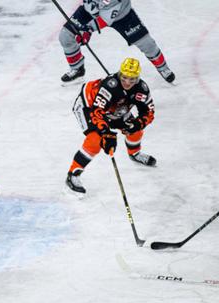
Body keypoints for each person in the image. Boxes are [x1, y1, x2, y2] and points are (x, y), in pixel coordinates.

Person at [66, 58, 156, 195]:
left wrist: (137, 124)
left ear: (138, 78)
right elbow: (97, 112)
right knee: (95, 140)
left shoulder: (142, 89)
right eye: (125, 77)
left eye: (132, 79)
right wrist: (105, 132)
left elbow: (149, 112)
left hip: (116, 108)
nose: (127, 82)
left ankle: (135, 153)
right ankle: (73, 174)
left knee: (135, 130)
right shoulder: (110, 86)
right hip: (88, 106)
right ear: (120, 74)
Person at [58, 0, 175, 84]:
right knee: (65, 36)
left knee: (147, 44)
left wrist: (87, 30)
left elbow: (105, 19)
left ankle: (163, 68)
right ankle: (77, 69)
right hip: (89, 9)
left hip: (121, 15)